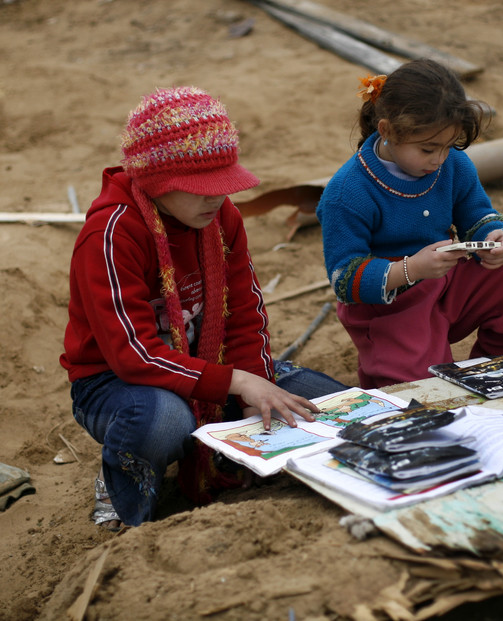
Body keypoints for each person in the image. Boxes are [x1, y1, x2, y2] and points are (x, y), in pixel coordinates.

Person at [61, 86, 347, 531]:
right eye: (201, 189)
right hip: (116, 382)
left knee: (324, 401)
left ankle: (234, 451)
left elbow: (245, 314)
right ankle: (123, 488)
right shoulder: (112, 234)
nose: (216, 198)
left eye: (223, 185)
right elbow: (132, 355)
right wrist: (237, 382)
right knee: (161, 422)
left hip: (209, 365)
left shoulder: (220, 219)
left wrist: (254, 386)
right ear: (156, 181)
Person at [318, 59, 503, 389]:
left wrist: (496, 236)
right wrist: (412, 268)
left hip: (450, 285)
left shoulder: (452, 163)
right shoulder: (347, 192)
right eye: (428, 149)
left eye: (448, 146)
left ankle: (501, 365)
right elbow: (344, 279)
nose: (439, 159)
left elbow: (476, 214)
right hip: (392, 310)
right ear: (387, 131)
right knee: (421, 391)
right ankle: (393, 368)